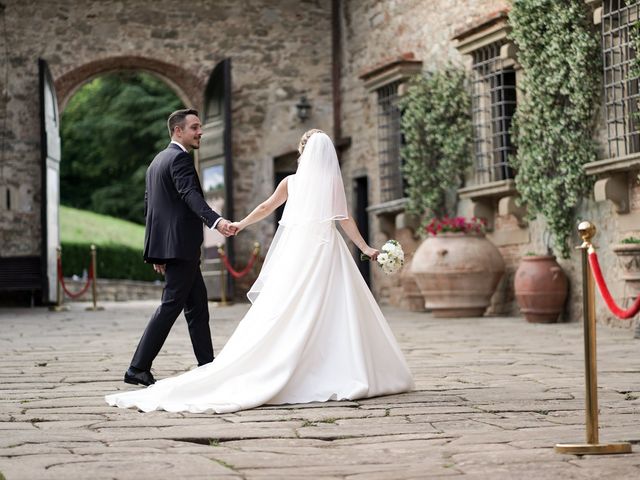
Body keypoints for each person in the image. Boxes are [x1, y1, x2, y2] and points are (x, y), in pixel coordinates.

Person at [106, 130, 414, 413]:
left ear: (304, 153)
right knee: (337, 307)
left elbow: (266, 207)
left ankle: (219, 365)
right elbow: (345, 219)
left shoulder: (290, 182)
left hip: (298, 254)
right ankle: (344, 367)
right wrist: (364, 248)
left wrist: (239, 224)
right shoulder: (331, 184)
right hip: (327, 250)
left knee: (288, 308)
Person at [122, 109, 237, 387]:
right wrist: (216, 221)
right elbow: (190, 195)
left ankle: (207, 366)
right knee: (170, 306)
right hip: (182, 248)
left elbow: (151, 209)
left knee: (197, 308)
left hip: (174, 248)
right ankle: (138, 367)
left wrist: (156, 251)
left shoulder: (157, 162)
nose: (200, 132)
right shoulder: (180, 159)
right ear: (178, 131)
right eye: (195, 127)